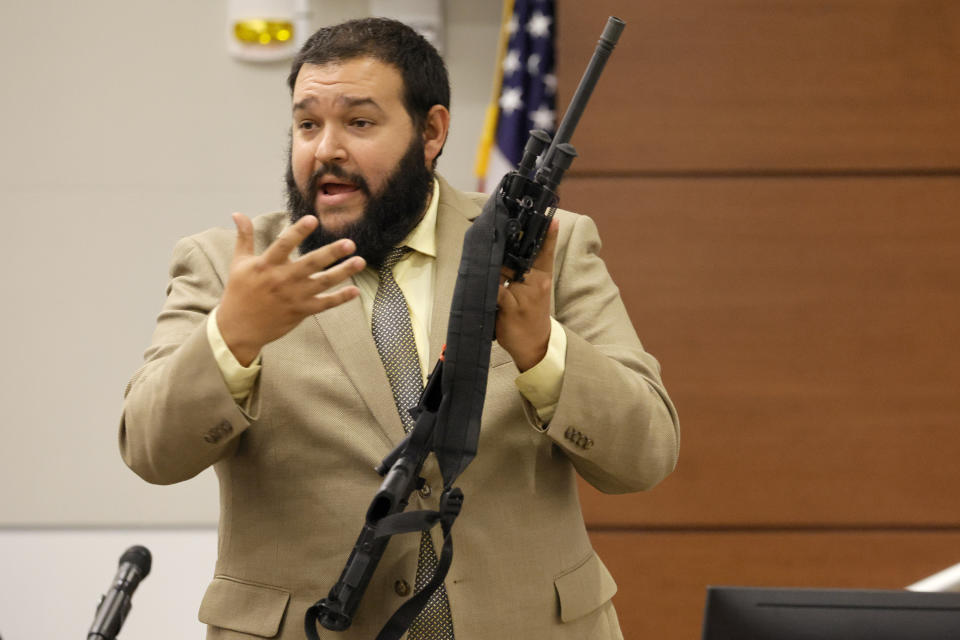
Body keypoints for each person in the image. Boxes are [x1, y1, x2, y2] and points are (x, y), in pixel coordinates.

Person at [120, 17, 679, 640]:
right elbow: (150, 451)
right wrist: (232, 339)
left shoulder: (544, 250)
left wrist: (544, 353)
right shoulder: (230, 269)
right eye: (308, 123)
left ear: (431, 131)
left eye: (358, 123)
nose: (325, 148)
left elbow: (646, 456)